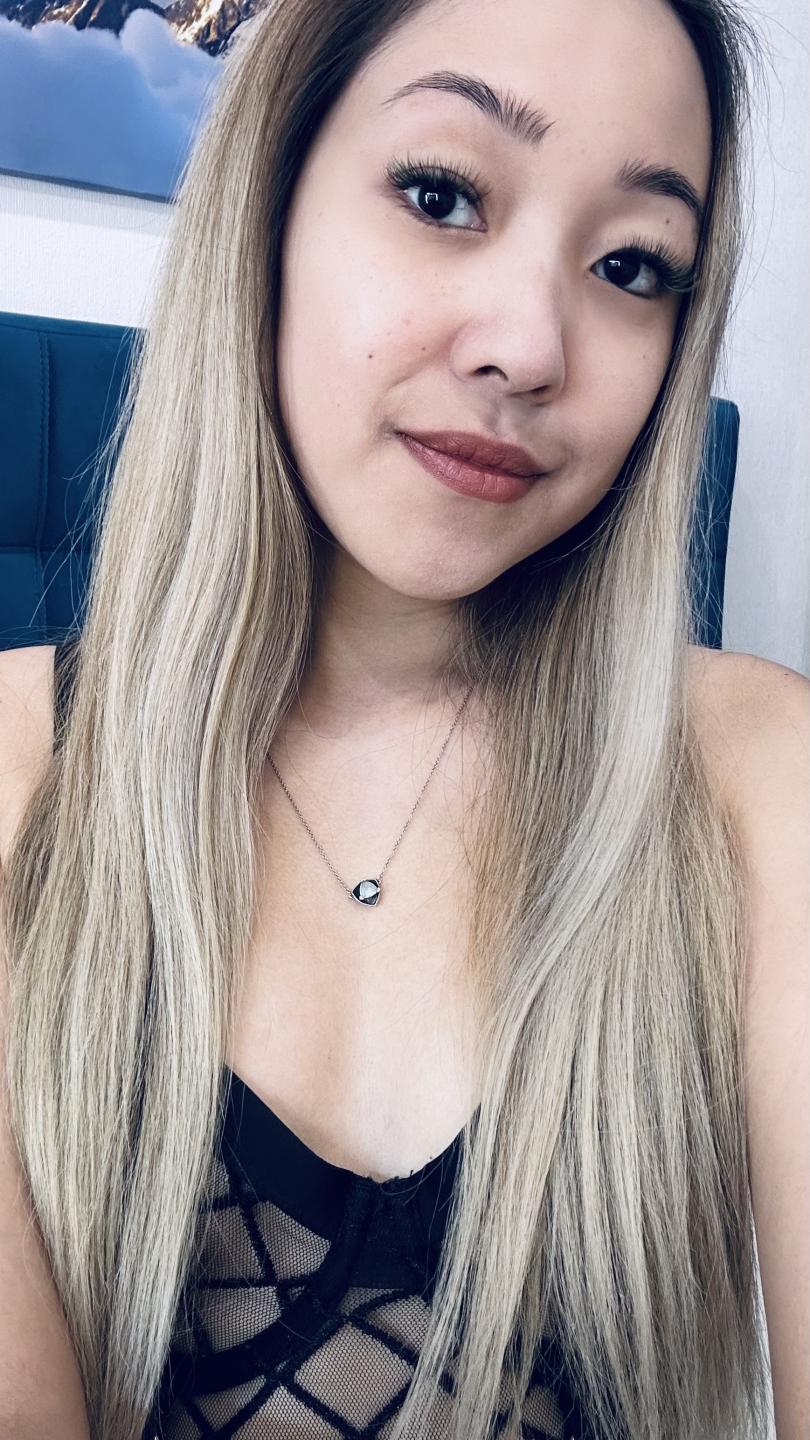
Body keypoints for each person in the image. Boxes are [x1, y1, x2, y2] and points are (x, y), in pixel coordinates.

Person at [1, 0, 808, 1437]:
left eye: (632, 265)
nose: (530, 346)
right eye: (442, 195)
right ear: (270, 208)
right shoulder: (16, 779)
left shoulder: (757, 785)